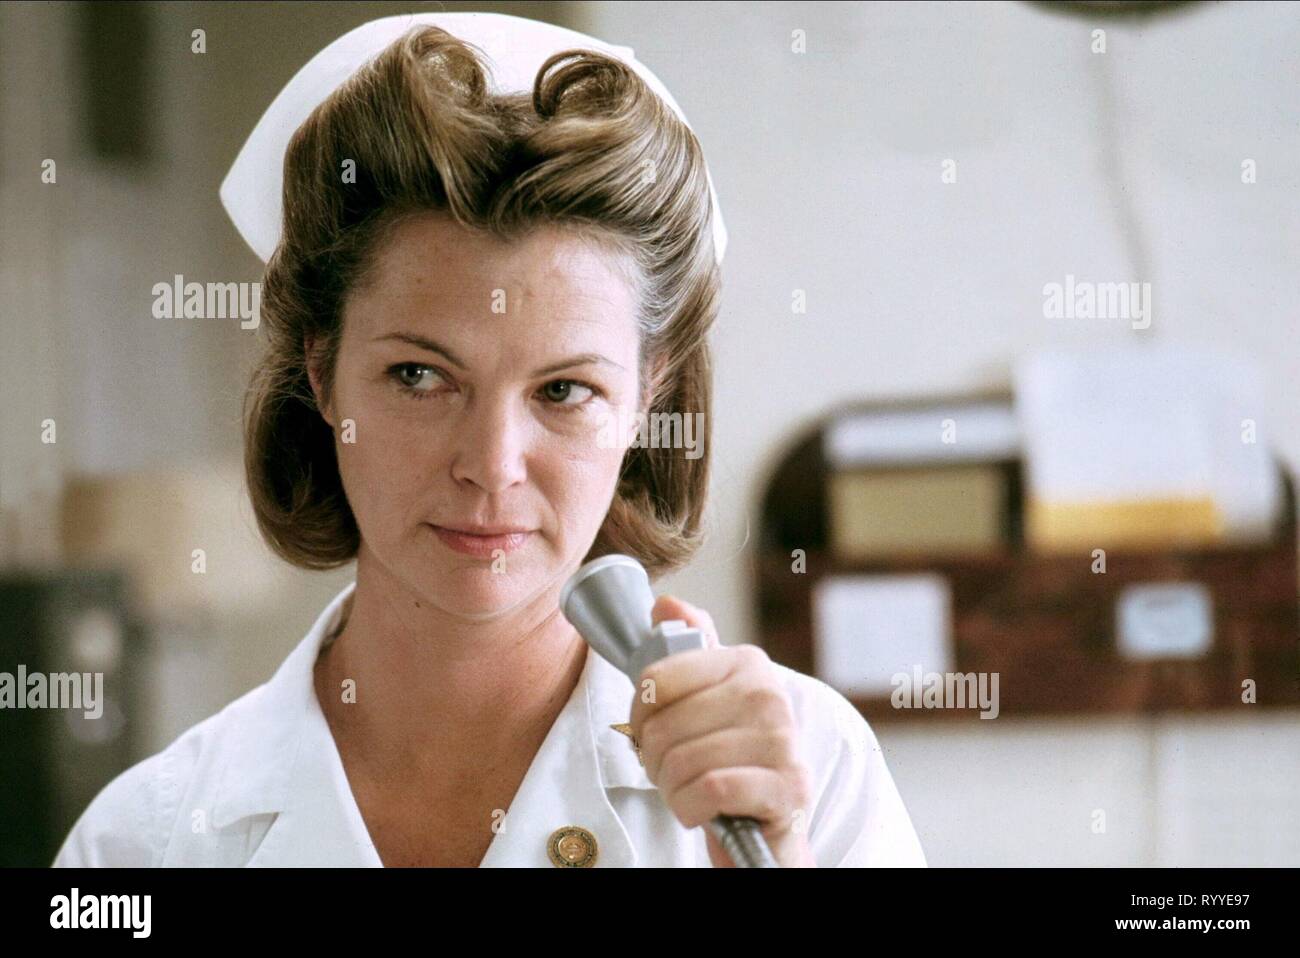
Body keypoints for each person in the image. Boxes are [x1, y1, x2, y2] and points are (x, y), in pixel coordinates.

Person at [52, 12, 926, 868]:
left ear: (645, 398)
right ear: (320, 370)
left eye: (564, 390)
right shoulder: (143, 843)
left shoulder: (812, 778)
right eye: (420, 377)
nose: (491, 466)